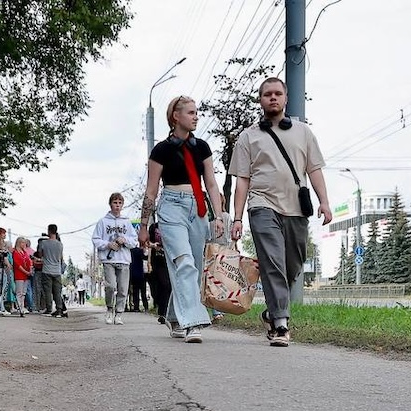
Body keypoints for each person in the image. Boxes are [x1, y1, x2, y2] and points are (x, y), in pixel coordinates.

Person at [228, 77, 331, 346]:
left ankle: (272, 313)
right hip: (262, 205)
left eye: (277, 94)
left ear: (286, 98)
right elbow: (242, 179)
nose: (272, 98)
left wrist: (325, 201)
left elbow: (314, 169)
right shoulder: (248, 136)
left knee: (293, 264)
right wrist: (237, 218)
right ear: (260, 100)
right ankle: (282, 325)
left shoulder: (304, 132)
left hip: (296, 208)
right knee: (273, 261)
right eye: (267, 94)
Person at [137, 95, 225, 343]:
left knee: (193, 269)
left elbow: (211, 182)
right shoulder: (161, 150)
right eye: (191, 112)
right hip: (171, 207)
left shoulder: (202, 147)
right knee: (184, 262)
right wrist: (143, 226)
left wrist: (217, 216)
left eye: (197, 112)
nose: (196, 116)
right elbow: (151, 191)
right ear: (176, 116)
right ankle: (193, 323)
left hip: (198, 208)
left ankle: (175, 318)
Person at [92, 193, 135, 325]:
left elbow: (134, 241)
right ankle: (110, 309)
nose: (117, 205)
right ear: (110, 204)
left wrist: (125, 240)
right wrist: (108, 244)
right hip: (108, 259)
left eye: (119, 203)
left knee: (123, 288)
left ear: (122, 205)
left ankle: (119, 313)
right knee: (110, 286)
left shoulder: (126, 222)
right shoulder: (103, 222)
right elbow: (95, 239)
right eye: (115, 203)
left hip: (124, 259)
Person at [145, 223, 172, 327]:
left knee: (167, 285)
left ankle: (165, 313)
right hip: (156, 261)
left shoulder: (173, 225)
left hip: (169, 260)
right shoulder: (154, 227)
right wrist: (153, 245)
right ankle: (161, 310)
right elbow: (147, 243)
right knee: (158, 287)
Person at [38, 224, 67, 317]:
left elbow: (40, 254)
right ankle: (59, 310)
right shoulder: (60, 244)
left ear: (49, 231)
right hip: (57, 271)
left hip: (47, 269)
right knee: (57, 292)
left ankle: (49, 309)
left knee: (47, 291)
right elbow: (60, 257)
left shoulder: (44, 243)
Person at [11, 236, 33, 317]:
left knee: (24, 292)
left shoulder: (25, 252)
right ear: (19, 243)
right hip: (19, 274)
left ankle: (22, 306)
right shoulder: (15, 252)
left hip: (26, 275)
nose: (24, 244)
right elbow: (18, 265)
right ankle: (19, 307)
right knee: (19, 292)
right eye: (23, 242)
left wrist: (30, 269)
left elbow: (29, 261)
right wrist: (26, 272)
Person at [128, 245, 148, 312]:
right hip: (140, 273)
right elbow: (145, 258)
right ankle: (146, 306)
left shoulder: (130, 251)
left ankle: (136, 307)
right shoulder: (140, 251)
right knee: (143, 291)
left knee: (135, 291)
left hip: (132, 273)